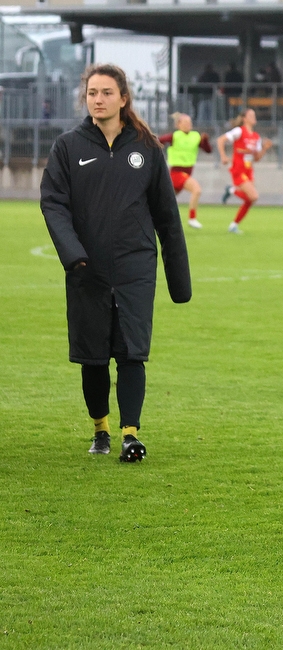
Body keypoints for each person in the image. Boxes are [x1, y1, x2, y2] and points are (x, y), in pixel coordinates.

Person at [39, 63, 191, 462]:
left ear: (123, 98)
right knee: (93, 355)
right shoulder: (68, 146)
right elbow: (53, 204)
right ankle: (101, 430)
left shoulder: (147, 147)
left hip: (135, 268)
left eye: (106, 92)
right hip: (86, 270)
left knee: (131, 352)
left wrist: (179, 279)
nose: (98, 99)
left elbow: (167, 216)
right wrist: (73, 255)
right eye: (92, 93)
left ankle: (131, 434)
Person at [217, 108, 273, 234]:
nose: (254, 117)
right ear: (244, 118)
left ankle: (233, 225)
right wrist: (223, 156)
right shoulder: (239, 131)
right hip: (238, 168)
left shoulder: (256, 137)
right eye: (251, 115)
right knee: (254, 196)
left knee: (250, 200)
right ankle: (231, 190)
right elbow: (220, 140)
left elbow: (257, 158)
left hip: (249, 170)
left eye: (254, 115)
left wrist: (264, 148)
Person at [159, 112, 212, 230]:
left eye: (190, 122)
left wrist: (205, 141)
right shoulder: (175, 136)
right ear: (178, 124)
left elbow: (208, 150)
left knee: (166, 201)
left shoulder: (195, 136)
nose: (189, 124)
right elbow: (158, 141)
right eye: (186, 122)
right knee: (196, 190)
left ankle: (154, 219)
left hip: (187, 173)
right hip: (176, 172)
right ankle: (192, 219)